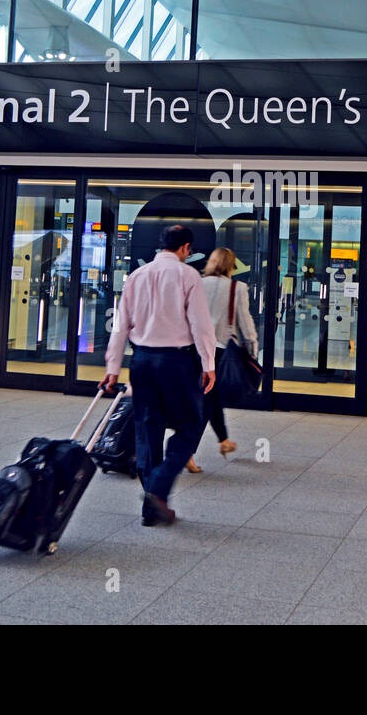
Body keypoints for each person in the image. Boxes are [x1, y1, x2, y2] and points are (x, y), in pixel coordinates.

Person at [103, 224, 216, 527]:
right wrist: (209, 363)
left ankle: (151, 509)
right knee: (190, 426)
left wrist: (112, 368)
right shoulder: (188, 275)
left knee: (148, 428)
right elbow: (201, 325)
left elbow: (120, 325)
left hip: (141, 361)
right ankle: (158, 487)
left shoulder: (137, 276)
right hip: (176, 362)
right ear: (185, 248)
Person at [186, 247, 258, 473]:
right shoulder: (237, 288)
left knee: (210, 399)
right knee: (207, 402)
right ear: (231, 265)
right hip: (219, 353)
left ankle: (224, 440)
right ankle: (187, 452)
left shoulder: (197, 283)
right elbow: (245, 323)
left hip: (192, 351)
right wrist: (253, 349)